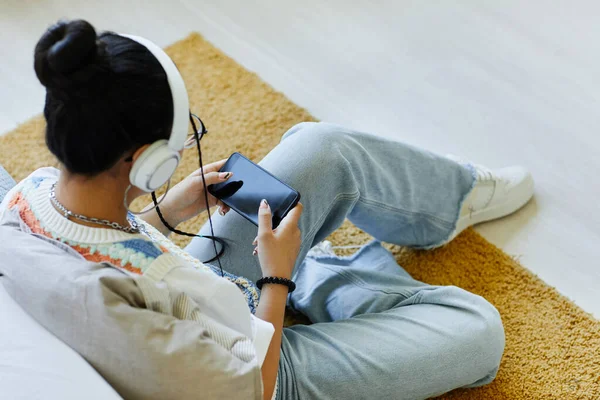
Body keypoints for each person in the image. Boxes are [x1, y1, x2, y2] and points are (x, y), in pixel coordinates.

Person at [0, 19, 534, 400]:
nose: (189, 143)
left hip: (195, 293)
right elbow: (247, 389)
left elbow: (101, 241)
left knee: (322, 148)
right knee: (478, 328)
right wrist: (278, 279)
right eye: (184, 138)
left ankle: (453, 200)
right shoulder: (106, 310)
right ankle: (323, 279)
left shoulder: (29, 194)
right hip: (259, 368)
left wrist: (170, 211)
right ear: (144, 161)